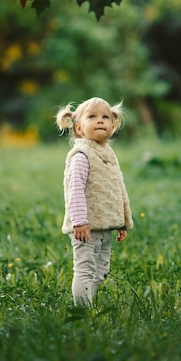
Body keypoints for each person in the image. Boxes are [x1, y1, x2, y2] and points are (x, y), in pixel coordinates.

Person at [55, 97, 133, 307]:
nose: (100, 121)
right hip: (86, 227)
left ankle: (86, 301)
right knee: (85, 269)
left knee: (100, 272)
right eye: (93, 117)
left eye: (105, 117)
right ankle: (82, 312)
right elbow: (75, 190)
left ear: (112, 125)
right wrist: (79, 222)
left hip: (104, 226)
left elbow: (115, 190)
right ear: (79, 128)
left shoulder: (107, 153)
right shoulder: (81, 155)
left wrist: (121, 222)